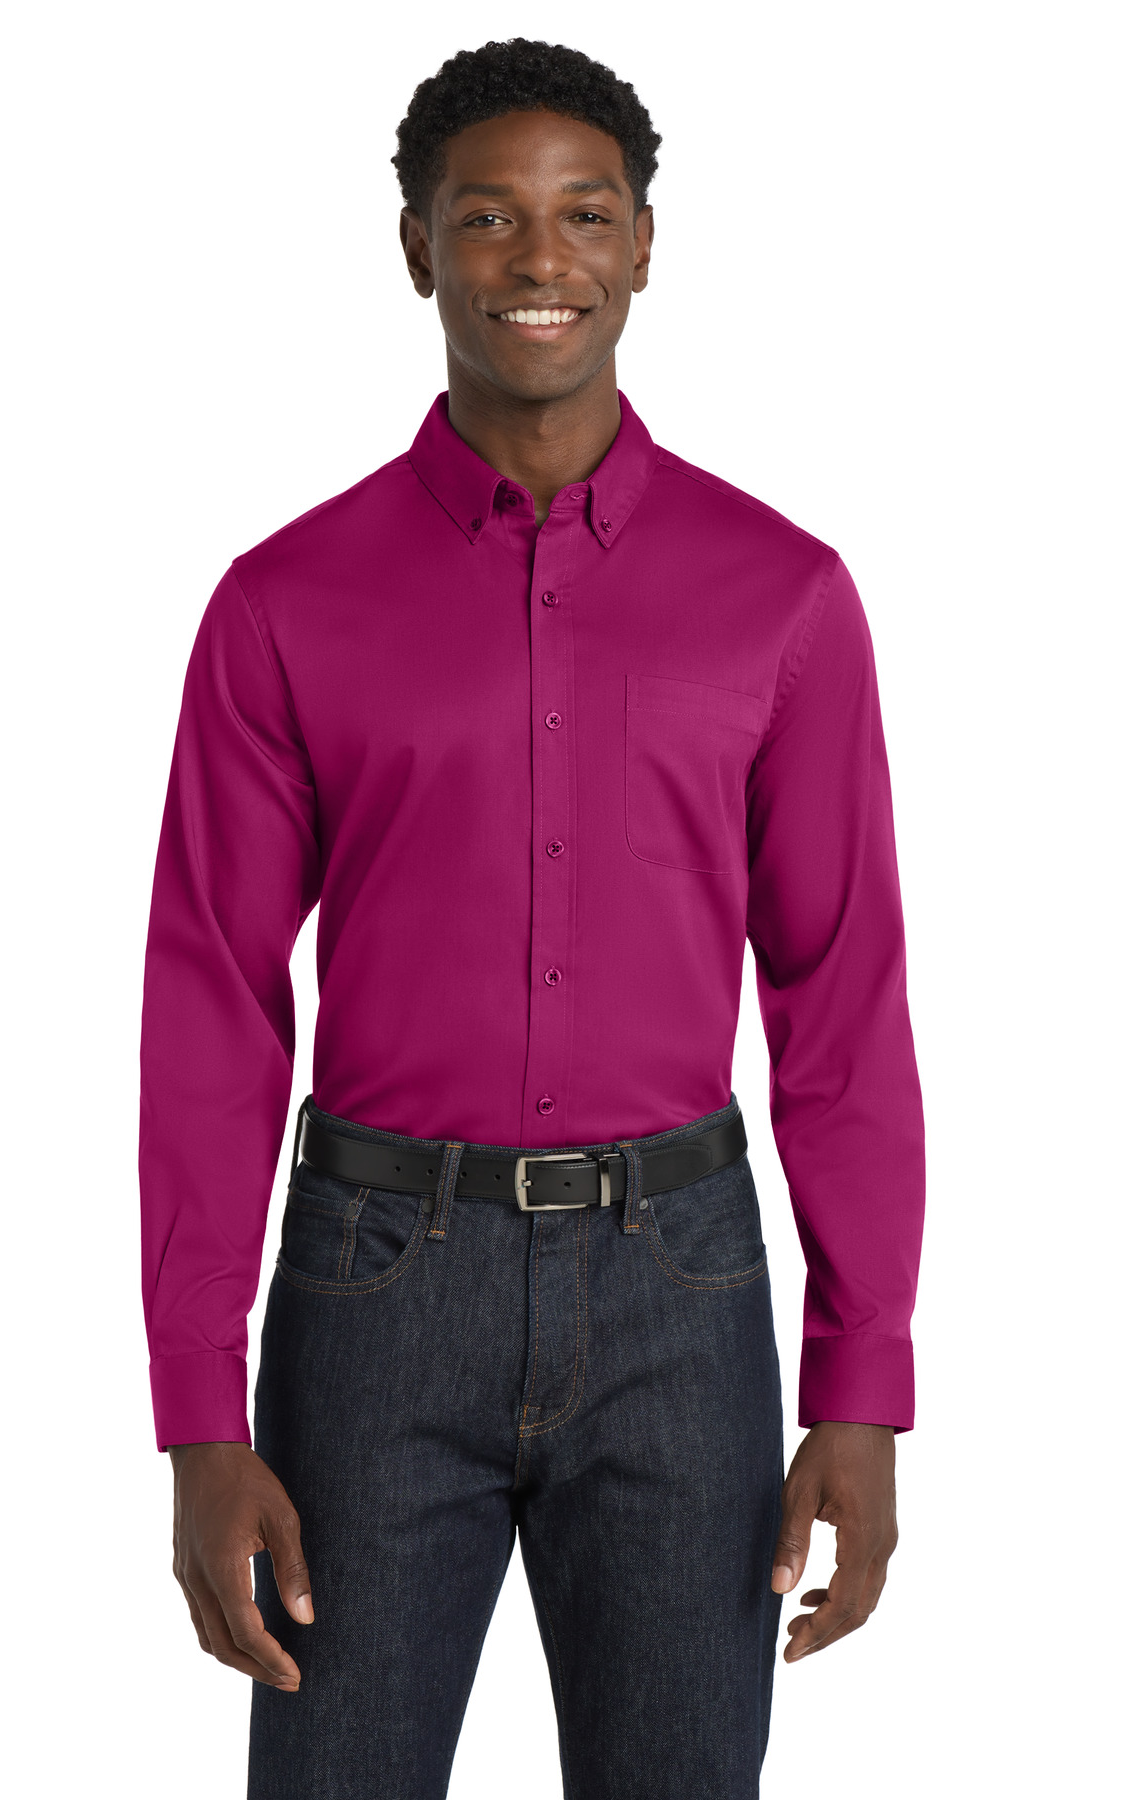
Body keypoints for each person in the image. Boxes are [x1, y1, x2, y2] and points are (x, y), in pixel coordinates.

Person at [139, 36, 925, 1800]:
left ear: (645, 245)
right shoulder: (284, 603)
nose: (538, 257)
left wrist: (862, 1385)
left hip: (680, 1292)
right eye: (487, 216)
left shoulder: (785, 598)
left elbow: (841, 1000)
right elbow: (210, 1005)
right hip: (372, 1290)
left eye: (583, 212)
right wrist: (199, 1410)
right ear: (416, 248)